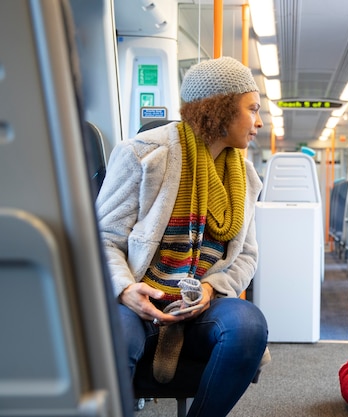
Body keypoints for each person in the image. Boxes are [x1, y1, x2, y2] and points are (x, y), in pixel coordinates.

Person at [96, 56, 269, 417]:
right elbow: (102, 238)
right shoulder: (142, 155)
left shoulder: (246, 176)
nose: (259, 122)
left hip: (201, 303)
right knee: (115, 336)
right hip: (137, 299)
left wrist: (211, 288)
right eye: (252, 109)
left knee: (249, 326)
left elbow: (247, 255)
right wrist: (126, 290)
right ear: (220, 109)